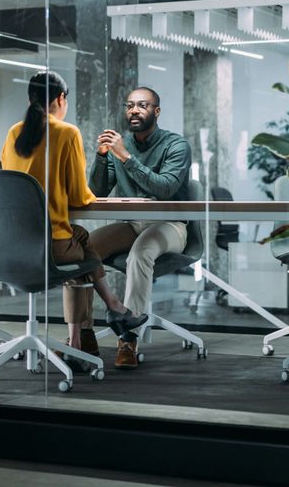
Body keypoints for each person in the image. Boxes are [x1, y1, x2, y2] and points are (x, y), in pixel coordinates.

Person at [0, 71, 147, 371]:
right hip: (49, 246)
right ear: (60, 98)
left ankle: (81, 340)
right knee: (80, 247)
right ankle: (110, 312)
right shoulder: (67, 133)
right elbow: (80, 197)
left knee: (79, 240)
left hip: (11, 244)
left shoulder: (13, 133)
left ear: (30, 99)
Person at [86, 86, 193, 369]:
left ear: (156, 111)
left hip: (170, 224)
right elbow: (97, 191)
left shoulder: (176, 145)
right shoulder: (119, 147)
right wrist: (102, 156)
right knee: (83, 248)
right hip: (132, 224)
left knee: (140, 253)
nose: (134, 110)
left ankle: (128, 338)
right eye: (130, 105)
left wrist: (126, 158)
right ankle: (82, 336)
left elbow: (166, 188)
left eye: (142, 105)